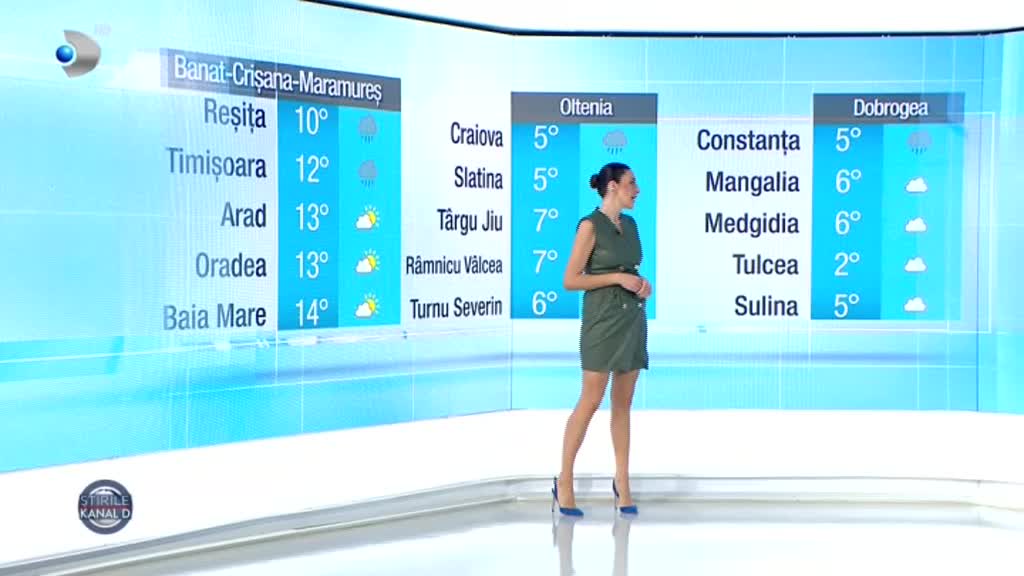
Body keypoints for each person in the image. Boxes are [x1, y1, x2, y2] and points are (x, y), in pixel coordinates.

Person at [551, 161, 650, 517]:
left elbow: (629, 269)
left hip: (631, 318)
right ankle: (564, 481)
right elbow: (571, 280)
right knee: (591, 399)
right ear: (612, 187)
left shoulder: (631, 225)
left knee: (623, 403)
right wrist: (617, 279)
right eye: (631, 183)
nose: (637, 190)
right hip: (602, 320)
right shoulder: (590, 226)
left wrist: (641, 284)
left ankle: (623, 481)